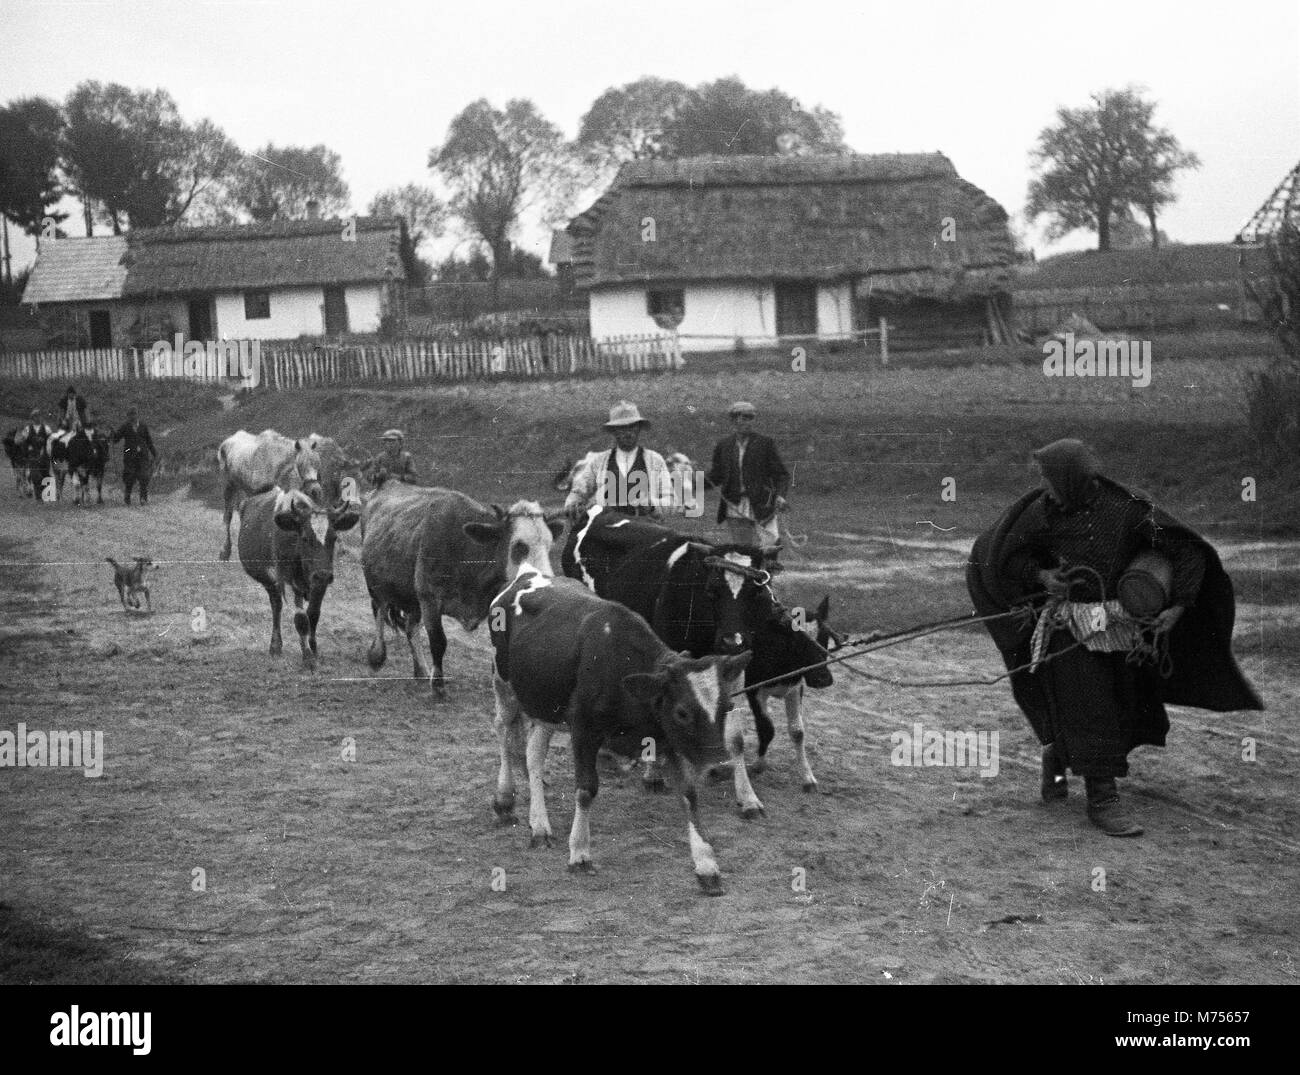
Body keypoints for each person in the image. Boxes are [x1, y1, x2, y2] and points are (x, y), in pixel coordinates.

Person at [967, 438, 1263, 837]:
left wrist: (1177, 606)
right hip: (1067, 624)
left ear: (1071, 478)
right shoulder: (1041, 513)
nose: (1044, 484)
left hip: (1119, 625)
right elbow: (1002, 554)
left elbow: (1184, 551)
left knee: (1116, 703)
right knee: (1085, 702)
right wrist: (1041, 577)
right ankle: (1102, 800)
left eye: (1049, 476)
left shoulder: (1128, 510)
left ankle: (1058, 768)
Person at [562, 401, 673, 521]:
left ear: (639, 428)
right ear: (614, 431)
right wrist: (572, 504)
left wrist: (651, 505)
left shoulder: (655, 461)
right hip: (606, 531)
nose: (628, 432)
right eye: (622, 428)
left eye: (632, 426)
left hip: (646, 531)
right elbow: (578, 493)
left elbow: (671, 502)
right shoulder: (598, 462)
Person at [704, 401, 790, 549]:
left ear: (753, 420)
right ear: (732, 421)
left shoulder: (765, 444)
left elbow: (781, 475)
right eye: (738, 418)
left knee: (771, 545)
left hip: (762, 503)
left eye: (747, 418)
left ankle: (768, 572)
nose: (742, 421)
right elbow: (716, 476)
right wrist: (693, 482)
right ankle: (746, 572)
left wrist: (780, 496)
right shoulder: (724, 446)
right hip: (734, 504)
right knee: (743, 549)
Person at [111, 408, 157, 506]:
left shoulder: (143, 426)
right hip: (129, 454)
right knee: (130, 476)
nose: (133, 417)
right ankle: (127, 496)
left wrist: (154, 453)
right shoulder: (125, 426)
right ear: (128, 416)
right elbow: (116, 439)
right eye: (131, 415)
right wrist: (113, 434)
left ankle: (143, 498)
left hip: (143, 455)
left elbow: (149, 441)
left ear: (137, 415)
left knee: (144, 476)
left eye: (134, 414)